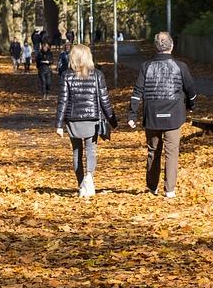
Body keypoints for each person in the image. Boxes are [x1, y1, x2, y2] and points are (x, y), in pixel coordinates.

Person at [127, 31, 197, 199]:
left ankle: (152, 187)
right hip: (174, 115)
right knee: (171, 151)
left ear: (155, 47)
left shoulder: (146, 67)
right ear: (171, 46)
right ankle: (169, 189)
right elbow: (191, 90)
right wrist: (191, 105)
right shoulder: (180, 67)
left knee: (153, 150)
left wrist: (132, 114)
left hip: (152, 115)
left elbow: (138, 92)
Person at [55, 42, 117, 199]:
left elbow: (62, 101)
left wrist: (59, 124)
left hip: (73, 119)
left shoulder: (66, 75)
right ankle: (89, 176)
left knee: (77, 151)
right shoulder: (97, 75)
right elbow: (105, 100)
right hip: (92, 119)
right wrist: (112, 120)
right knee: (91, 150)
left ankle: (81, 185)